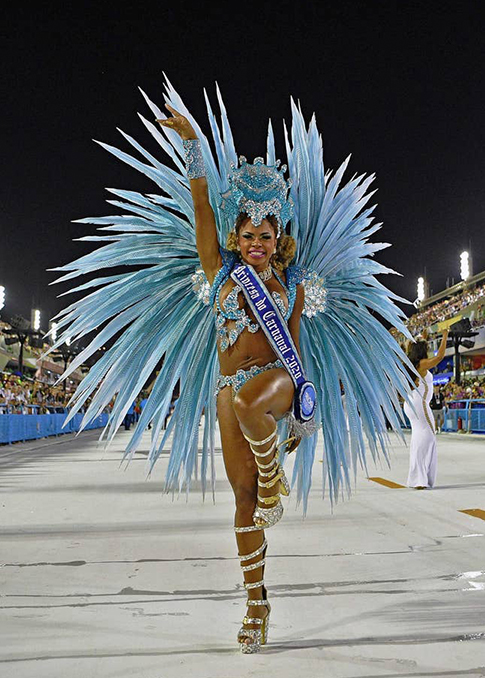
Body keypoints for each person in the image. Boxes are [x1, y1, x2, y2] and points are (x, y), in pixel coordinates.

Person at [48, 80, 413, 653]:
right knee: (242, 502)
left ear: (278, 235)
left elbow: (295, 349)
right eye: (247, 235)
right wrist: (193, 145)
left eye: (265, 235)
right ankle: (256, 603)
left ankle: (273, 479)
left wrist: (302, 409)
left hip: (275, 387)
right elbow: (200, 204)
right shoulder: (219, 270)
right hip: (228, 393)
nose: (256, 243)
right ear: (236, 236)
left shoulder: (291, 285)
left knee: (250, 411)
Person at [404, 328, 449, 489]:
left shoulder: (411, 364)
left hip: (411, 404)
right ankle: (420, 479)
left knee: (418, 438)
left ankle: (416, 477)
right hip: (420, 404)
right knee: (428, 437)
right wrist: (445, 336)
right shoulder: (422, 364)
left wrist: (424, 336)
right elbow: (440, 357)